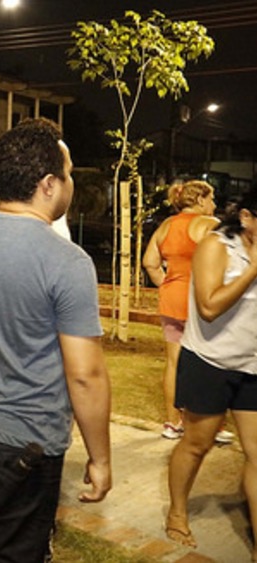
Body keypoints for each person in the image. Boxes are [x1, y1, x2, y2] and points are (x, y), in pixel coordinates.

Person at [0, 118, 112, 562]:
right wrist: (101, 458)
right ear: (49, 184)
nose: (72, 183)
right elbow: (87, 375)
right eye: (70, 173)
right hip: (23, 442)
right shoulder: (66, 262)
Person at [165, 189, 257, 555]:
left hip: (252, 366)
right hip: (210, 363)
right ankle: (176, 512)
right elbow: (207, 306)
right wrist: (252, 269)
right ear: (248, 218)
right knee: (197, 444)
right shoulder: (217, 246)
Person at [142, 180, 220, 440]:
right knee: (208, 362)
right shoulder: (209, 225)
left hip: (172, 300)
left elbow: (149, 262)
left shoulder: (166, 225)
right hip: (200, 302)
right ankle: (212, 425)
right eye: (211, 199)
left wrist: (167, 283)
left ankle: (172, 422)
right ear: (199, 201)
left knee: (174, 363)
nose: (214, 204)